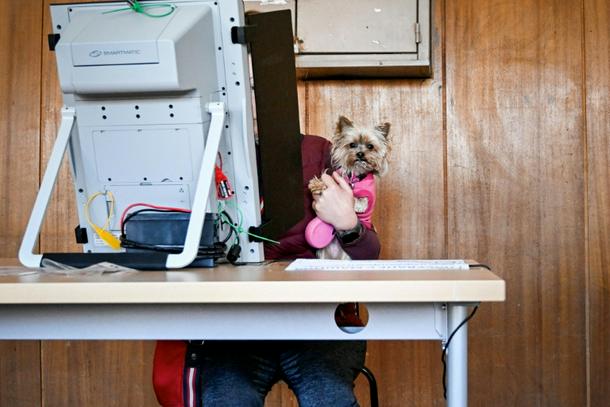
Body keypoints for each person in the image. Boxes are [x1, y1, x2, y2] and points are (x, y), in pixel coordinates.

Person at [152, 134, 381, 407]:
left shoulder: (317, 151)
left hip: (317, 320)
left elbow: (368, 255)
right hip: (237, 325)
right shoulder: (205, 157)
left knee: (327, 398)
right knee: (227, 399)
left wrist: (348, 224)